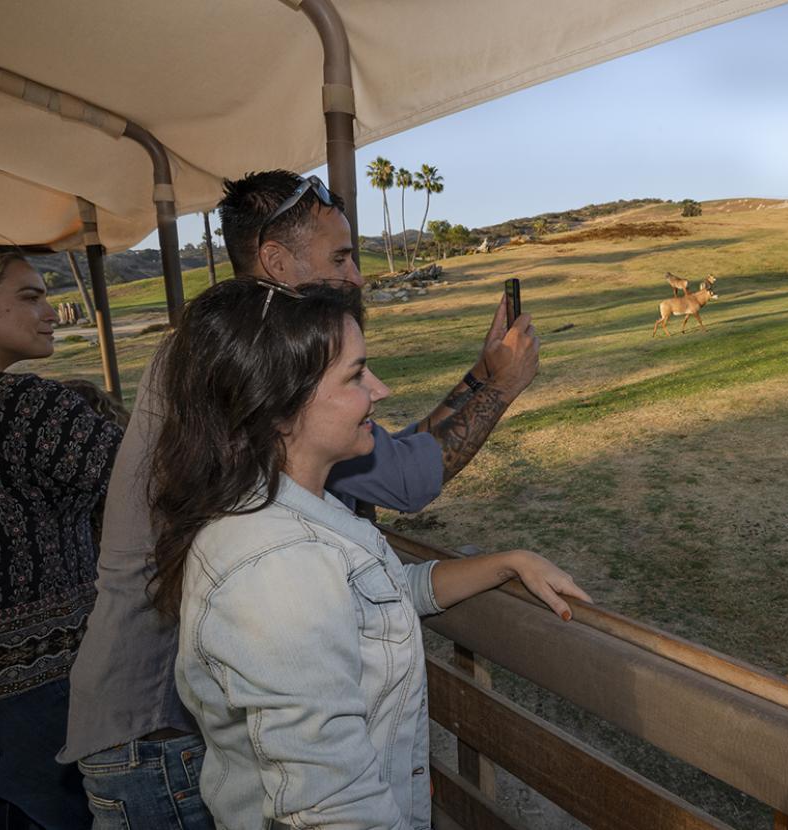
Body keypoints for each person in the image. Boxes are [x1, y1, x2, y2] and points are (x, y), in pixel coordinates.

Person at [63, 170, 541, 826]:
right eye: (340, 256)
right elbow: (405, 476)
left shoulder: (227, 353)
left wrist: (482, 380)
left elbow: (379, 456)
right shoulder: (270, 536)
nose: (356, 276)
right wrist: (496, 388)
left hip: (168, 718)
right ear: (274, 261)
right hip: (158, 732)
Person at [152, 278, 587, 827]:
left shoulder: (297, 512)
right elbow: (334, 807)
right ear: (279, 408)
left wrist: (505, 562)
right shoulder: (275, 566)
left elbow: (369, 602)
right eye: (356, 375)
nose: (378, 390)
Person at [0, 236, 123, 829]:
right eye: (30, 296)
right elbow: (165, 487)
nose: (49, 310)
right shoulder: (19, 405)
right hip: (27, 702)